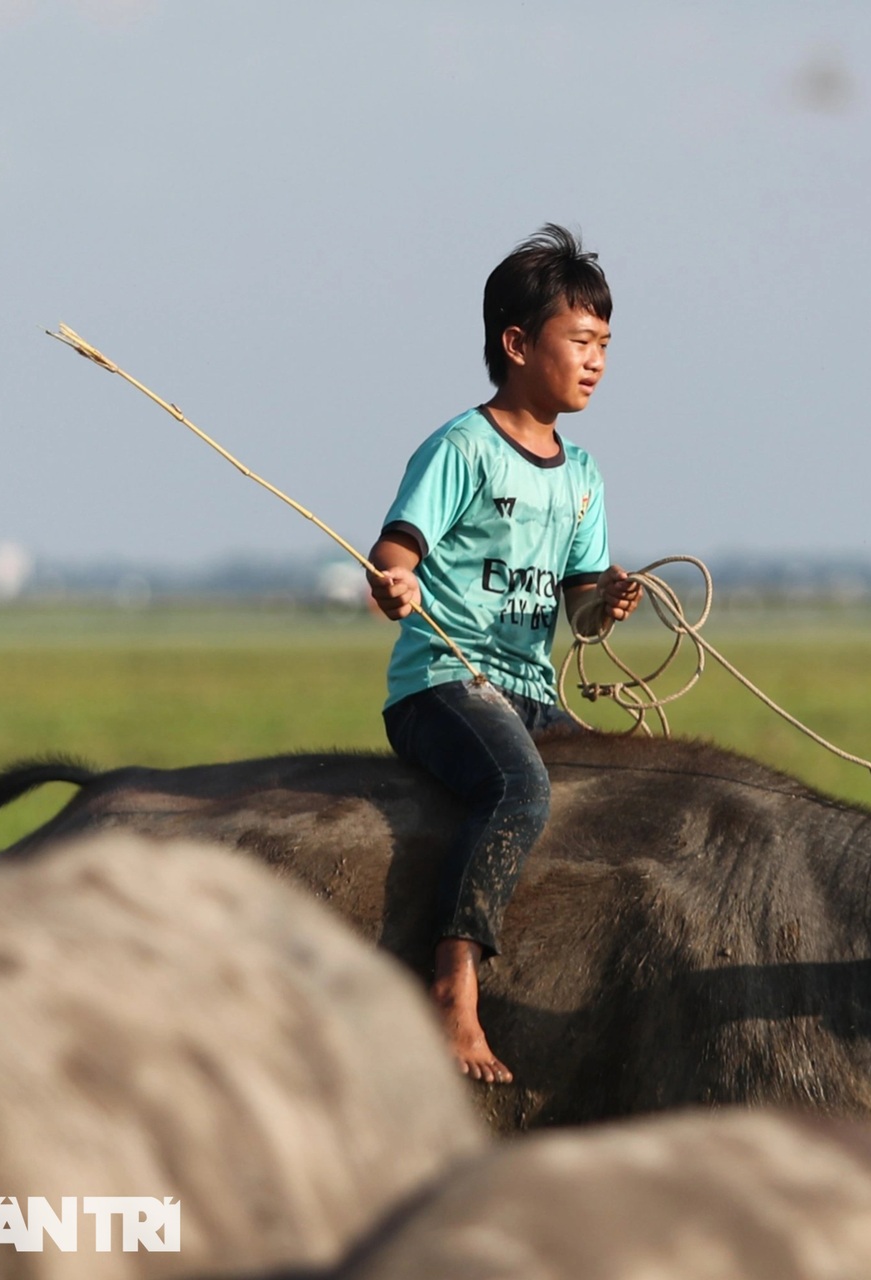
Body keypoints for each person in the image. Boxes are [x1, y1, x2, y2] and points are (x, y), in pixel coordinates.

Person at [366, 224, 642, 1083]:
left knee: (626, 785)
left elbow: (582, 615)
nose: (596, 361)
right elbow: (395, 555)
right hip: (446, 684)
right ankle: (452, 989)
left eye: (605, 345)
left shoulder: (585, 475)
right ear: (516, 345)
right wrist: (395, 585)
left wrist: (606, 603)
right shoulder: (462, 449)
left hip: (529, 686)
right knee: (519, 787)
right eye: (580, 341)